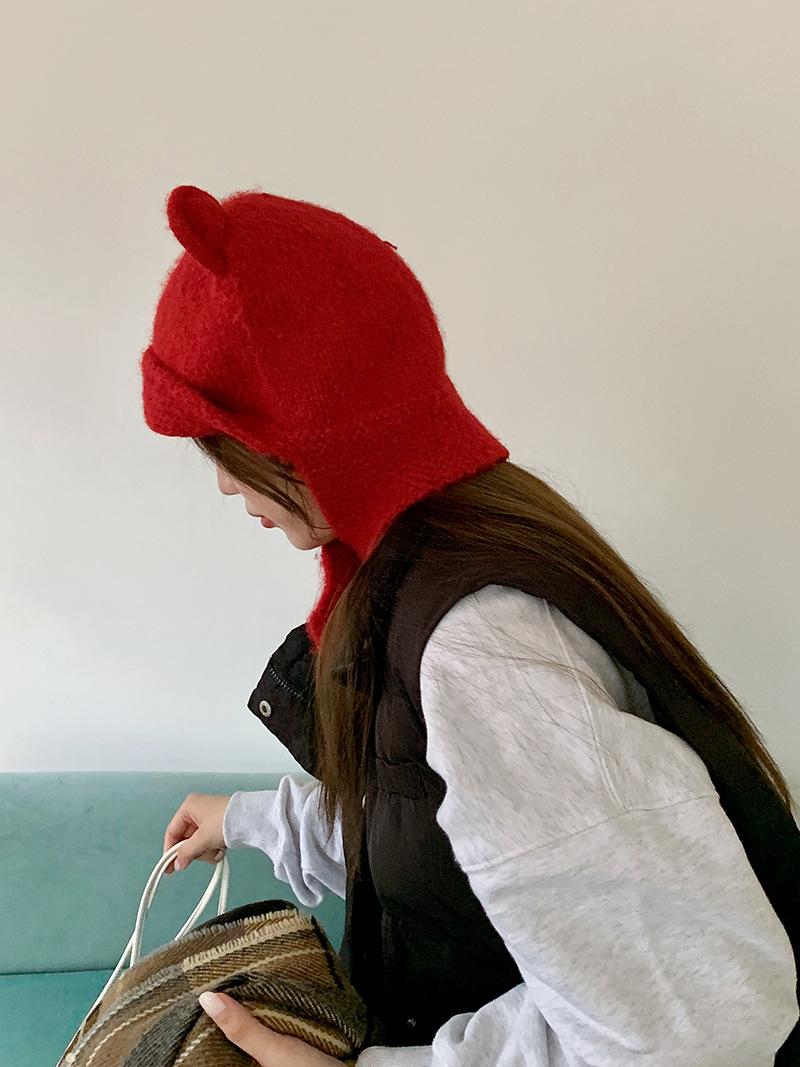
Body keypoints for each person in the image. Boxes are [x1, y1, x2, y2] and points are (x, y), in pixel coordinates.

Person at [143, 184, 800, 1066]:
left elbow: (695, 1026)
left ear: (320, 430)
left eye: (231, 447)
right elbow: (445, 851)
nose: (226, 483)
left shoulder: (481, 647)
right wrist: (259, 821)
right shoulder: (434, 558)